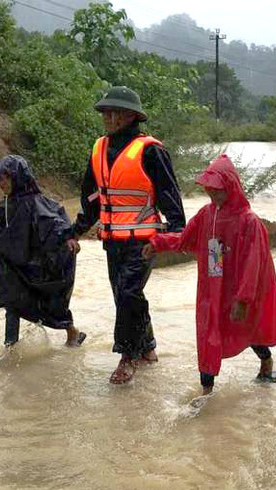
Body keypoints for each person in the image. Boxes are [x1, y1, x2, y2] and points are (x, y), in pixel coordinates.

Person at [65, 86, 186, 384]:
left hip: (144, 242)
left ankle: (127, 356)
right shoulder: (99, 149)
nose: (108, 118)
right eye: (105, 113)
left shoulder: (151, 150)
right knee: (125, 296)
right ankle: (148, 347)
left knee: (129, 293)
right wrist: (76, 231)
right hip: (112, 242)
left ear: (131, 116)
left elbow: (170, 196)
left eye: (114, 112)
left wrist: (175, 234)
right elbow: (92, 199)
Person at [143, 155, 276, 396]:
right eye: (209, 189)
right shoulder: (206, 214)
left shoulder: (249, 222)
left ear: (231, 187)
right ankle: (206, 391)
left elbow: (253, 265)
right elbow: (185, 239)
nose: (212, 195)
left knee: (247, 328)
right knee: (207, 333)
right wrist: (158, 242)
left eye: (217, 190)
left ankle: (266, 361)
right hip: (211, 287)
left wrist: (243, 299)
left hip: (238, 287)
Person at [0, 155, 85, 348]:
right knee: (12, 303)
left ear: (17, 177)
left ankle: (72, 332)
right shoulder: (3, 207)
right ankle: (10, 347)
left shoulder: (38, 203)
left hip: (37, 266)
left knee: (48, 303)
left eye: (5, 178)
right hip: (14, 269)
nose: (1, 183)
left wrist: (69, 238)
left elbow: (56, 224)